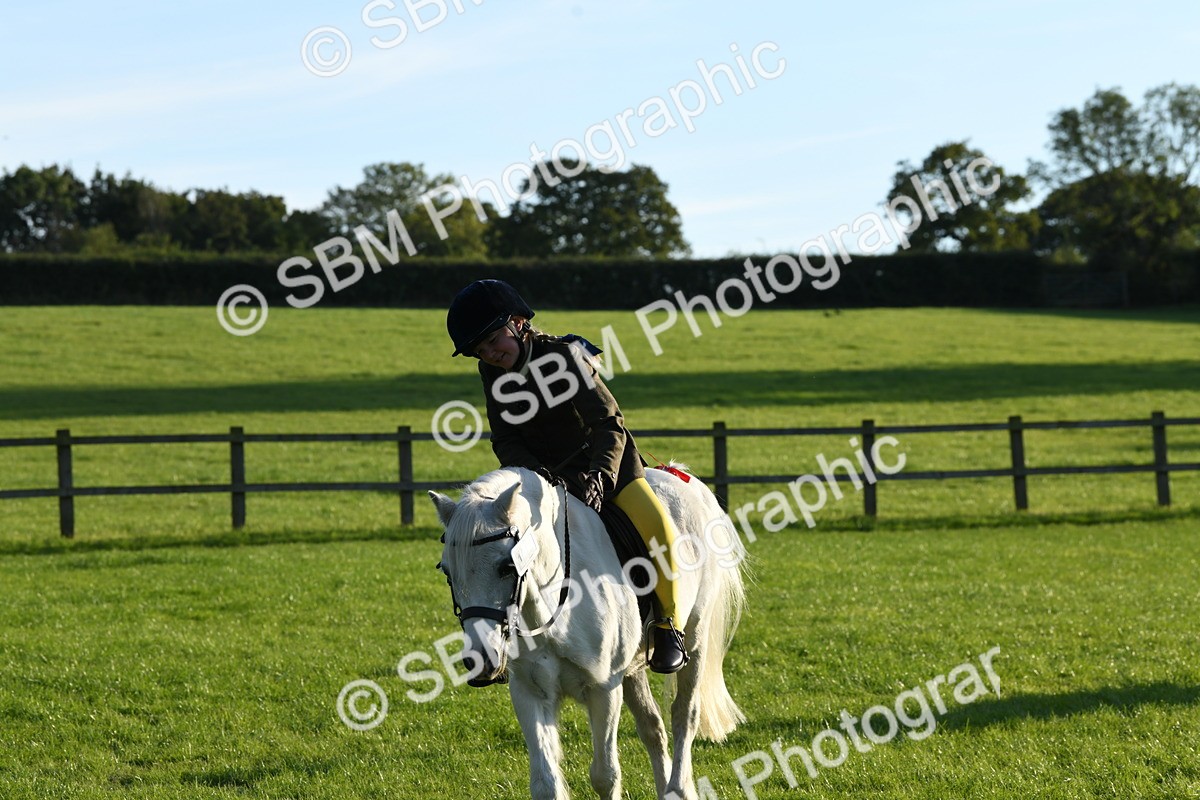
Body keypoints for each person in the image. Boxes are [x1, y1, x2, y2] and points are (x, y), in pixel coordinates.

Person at [446, 278, 688, 674]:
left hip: (607, 466)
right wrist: (533, 474)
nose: (490, 353)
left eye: (494, 340)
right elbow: (505, 436)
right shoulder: (490, 373)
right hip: (549, 478)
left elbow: (608, 422)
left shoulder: (565, 357)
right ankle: (511, 639)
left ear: (520, 323)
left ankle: (667, 625)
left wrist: (601, 475)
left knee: (659, 528)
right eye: (480, 349)